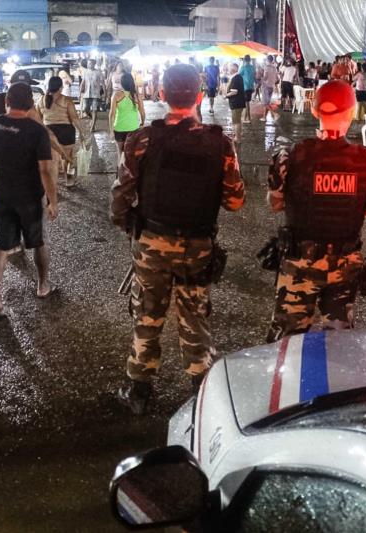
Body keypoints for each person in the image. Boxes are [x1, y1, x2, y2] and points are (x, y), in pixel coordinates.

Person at [110, 64, 246, 414]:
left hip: (152, 242)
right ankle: (202, 392)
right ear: (199, 96)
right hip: (197, 245)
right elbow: (235, 201)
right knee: (194, 315)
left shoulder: (142, 139)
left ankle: (138, 390)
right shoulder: (220, 144)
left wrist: (128, 225)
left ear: (162, 95)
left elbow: (120, 195)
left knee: (147, 313)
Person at [265, 80, 366, 342]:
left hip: (299, 262)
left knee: (286, 343)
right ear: (352, 112)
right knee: (339, 346)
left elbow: (275, 203)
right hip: (344, 265)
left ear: (314, 110)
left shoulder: (290, 156)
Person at [0, 83, 57, 319]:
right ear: (31, 104)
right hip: (29, 197)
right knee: (38, 241)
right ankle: (42, 285)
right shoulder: (37, 131)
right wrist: (52, 200)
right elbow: (45, 170)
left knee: (1, 245)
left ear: (7, 102)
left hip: (1, 194)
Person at [37, 76, 85, 186]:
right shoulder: (66, 100)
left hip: (49, 133)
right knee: (67, 158)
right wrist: (82, 133)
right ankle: (68, 180)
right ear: (60, 88)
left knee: (53, 159)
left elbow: (38, 120)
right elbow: (74, 118)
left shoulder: (41, 100)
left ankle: (52, 183)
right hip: (66, 132)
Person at [109, 72, 146, 163]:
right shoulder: (137, 96)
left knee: (120, 153)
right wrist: (142, 123)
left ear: (122, 83)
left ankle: (120, 171)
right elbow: (142, 112)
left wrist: (111, 130)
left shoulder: (116, 95)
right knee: (132, 154)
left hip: (119, 128)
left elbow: (112, 115)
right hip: (133, 129)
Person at [80, 59, 104, 131]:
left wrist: (105, 93)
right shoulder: (85, 72)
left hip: (95, 94)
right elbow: (83, 82)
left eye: (90, 63)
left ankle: (93, 126)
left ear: (94, 64)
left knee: (94, 110)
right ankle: (92, 117)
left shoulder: (98, 72)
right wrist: (80, 92)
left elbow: (103, 83)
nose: (89, 65)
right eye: (88, 63)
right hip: (86, 93)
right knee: (85, 109)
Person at [226, 63, 246, 144]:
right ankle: (237, 135)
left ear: (233, 69)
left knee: (236, 121)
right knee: (237, 120)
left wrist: (226, 95)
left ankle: (238, 138)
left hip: (236, 102)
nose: (228, 69)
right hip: (237, 102)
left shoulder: (236, 78)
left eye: (229, 68)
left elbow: (234, 92)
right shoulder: (236, 77)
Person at [260, 55, 280, 122]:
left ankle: (274, 114)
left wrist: (261, 79)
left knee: (265, 103)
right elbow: (277, 78)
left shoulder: (266, 67)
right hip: (271, 86)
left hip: (266, 86)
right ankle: (264, 117)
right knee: (267, 103)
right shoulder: (275, 68)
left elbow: (265, 77)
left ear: (267, 60)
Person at [239, 55, 256, 122]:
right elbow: (254, 76)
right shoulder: (252, 67)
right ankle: (245, 118)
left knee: (246, 103)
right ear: (250, 60)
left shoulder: (243, 67)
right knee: (247, 102)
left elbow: (239, 75)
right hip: (251, 87)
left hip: (245, 87)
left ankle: (248, 118)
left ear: (244, 60)